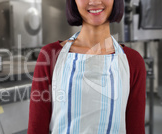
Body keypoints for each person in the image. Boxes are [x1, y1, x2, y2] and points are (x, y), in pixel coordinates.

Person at [27, 0, 146, 133]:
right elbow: (36, 128)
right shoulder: (50, 56)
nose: (94, 1)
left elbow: (135, 129)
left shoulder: (133, 61)